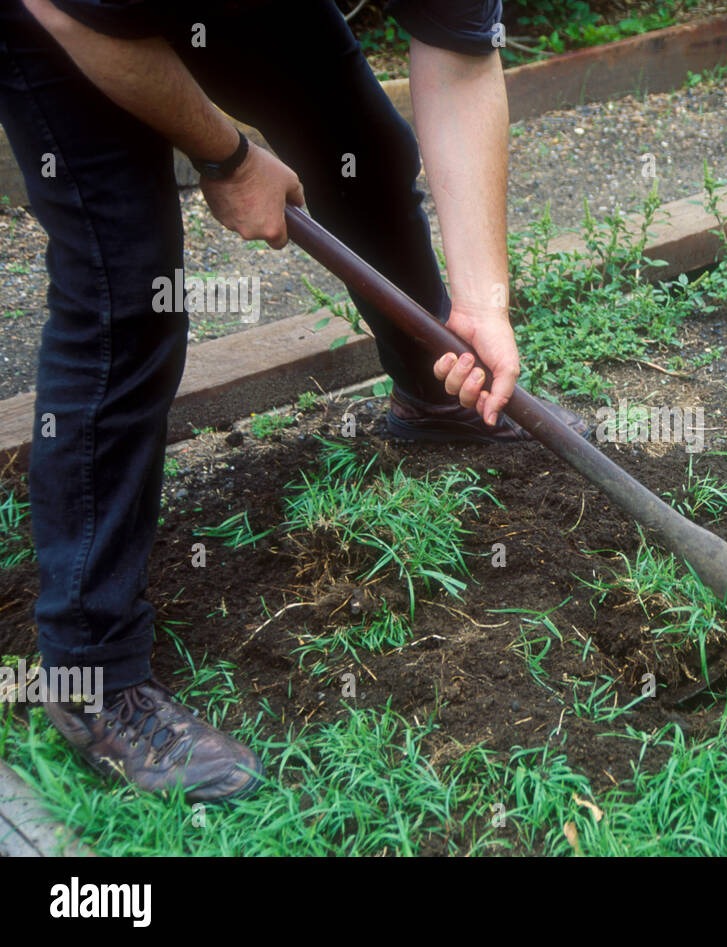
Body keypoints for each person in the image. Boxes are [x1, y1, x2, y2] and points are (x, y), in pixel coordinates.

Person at [0, 0, 587, 803]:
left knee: (364, 151)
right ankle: (90, 673)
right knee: (125, 280)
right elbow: (73, 12)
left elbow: (457, 60)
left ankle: (433, 393)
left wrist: (483, 303)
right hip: (64, 17)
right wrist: (229, 157)